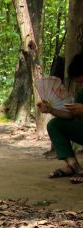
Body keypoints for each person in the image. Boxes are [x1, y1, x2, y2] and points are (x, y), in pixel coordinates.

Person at [38, 53, 83, 184]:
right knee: (54, 125)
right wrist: (51, 110)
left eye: (82, 81)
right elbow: (70, 115)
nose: (80, 85)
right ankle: (74, 166)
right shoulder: (82, 93)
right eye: (78, 82)